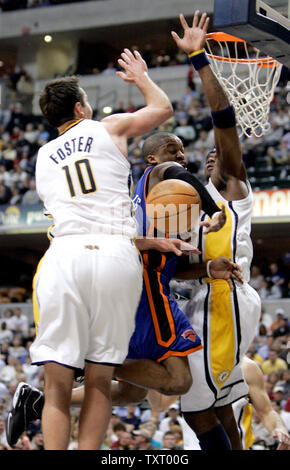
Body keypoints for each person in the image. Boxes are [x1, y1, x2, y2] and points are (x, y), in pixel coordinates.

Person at [12, 48, 176, 451]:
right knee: (101, 378)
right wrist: (140, 77)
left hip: (64, 255)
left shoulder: (42, 156)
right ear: (82, 107)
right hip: (114, 256)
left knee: (56, 385)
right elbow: (163, 109)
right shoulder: (108, 127)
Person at [170, 11, 261, 450]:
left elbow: (223, 121)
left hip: (224, 304)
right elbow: (182, 268)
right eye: (203, 157)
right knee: (222, 409)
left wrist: (199, 58)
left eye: (217, 155)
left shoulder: (236, 189)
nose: (212, 157)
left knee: (196, 408)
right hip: (214, 300)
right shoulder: (190, 206)